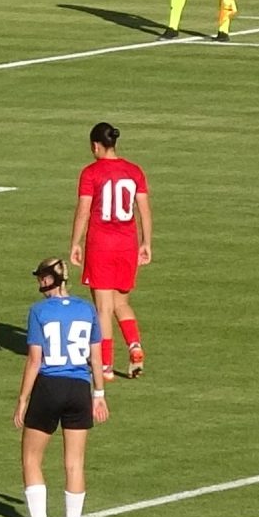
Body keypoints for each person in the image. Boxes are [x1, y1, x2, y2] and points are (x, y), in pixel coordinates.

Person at [14, 258, 106, 517]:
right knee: (75, 463)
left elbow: (34, 360)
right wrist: (99, 394)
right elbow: (96, 356)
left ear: (49, 279)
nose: (39, 282)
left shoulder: (39, 311)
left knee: (31, 457)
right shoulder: (87, 309)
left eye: (41, 277)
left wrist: (22, 399)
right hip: (80, 388)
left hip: (49, 387)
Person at [68, 121, 153, 381]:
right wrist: (146, 242)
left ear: (96, 145)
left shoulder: (91, 173)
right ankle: (135, 345)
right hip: (127, 244)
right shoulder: (134, 171)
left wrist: (75, 242)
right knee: (121, 302)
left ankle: (105, 365)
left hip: (101, 245)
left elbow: (84, 210)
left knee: (103, 308)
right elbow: (144, 209)